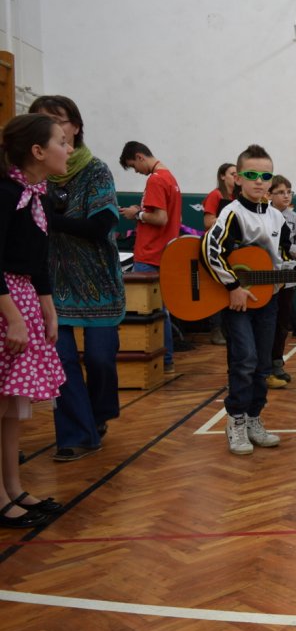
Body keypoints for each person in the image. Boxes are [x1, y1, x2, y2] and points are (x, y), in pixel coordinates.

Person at [201, 144, 296, 455]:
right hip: (238, 303)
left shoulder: (277, 217)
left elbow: (278, 260)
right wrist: (233, 286)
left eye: (265, 176)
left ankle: (254, 418)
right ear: (238, 178)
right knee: (244, 360)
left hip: (267, 300)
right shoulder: (231, 213)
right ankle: (236, 421)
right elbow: (210, 251)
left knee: (262, 365)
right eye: (252, 175)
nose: (259, 181)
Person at [28, 95, 125, 461]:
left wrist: (47, 218)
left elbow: (101, 225)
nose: (50, 126)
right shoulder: (33, 174)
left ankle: (97, 416)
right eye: (41, 119)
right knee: (62, 361)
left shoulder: (96, 170)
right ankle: (76, 436)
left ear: (76, 127)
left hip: (98, 281)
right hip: (51, 282)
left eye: (57, 119)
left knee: (100, 360)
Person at [0, 114, 70, 526]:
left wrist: (48, 309)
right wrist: (13, 317)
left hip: (24, 298)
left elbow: (39, 262)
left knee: (12, 407)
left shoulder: (39, 198)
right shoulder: (6, 194)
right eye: (61, 141)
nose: (69, 149)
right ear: (38, 151)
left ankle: (13, 487)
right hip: (5, 302)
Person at [119, 141, 182, 372]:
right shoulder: (170, 178)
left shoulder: (155, 179)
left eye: (133, 166)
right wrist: (142, 212)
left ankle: (161, 361)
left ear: (139, 157)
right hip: (164, 253)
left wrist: (137, 214)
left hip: (150, 254)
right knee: (161, 310)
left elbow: (160, 218)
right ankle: (166, 360)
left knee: (150, 311)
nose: (136, 171)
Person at [267, 175, 296, 387]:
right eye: (281, 192)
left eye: (289, 192)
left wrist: (285, 248)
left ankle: (277, 363)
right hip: (265, 278)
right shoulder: (263, 215)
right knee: (265, 322)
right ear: (269, 195)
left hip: (288, 278)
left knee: (282, 323)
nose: (286, 196)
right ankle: (261, 365)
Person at [201, 163, 237, 346]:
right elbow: (208, 222)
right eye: (232, 173)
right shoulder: (215, 195)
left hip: (232, 247)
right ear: (222, 176)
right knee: (216, 288)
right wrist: (228, 219)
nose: (236, 176)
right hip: (216, 247)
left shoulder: (237, 197)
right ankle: (215, 329)